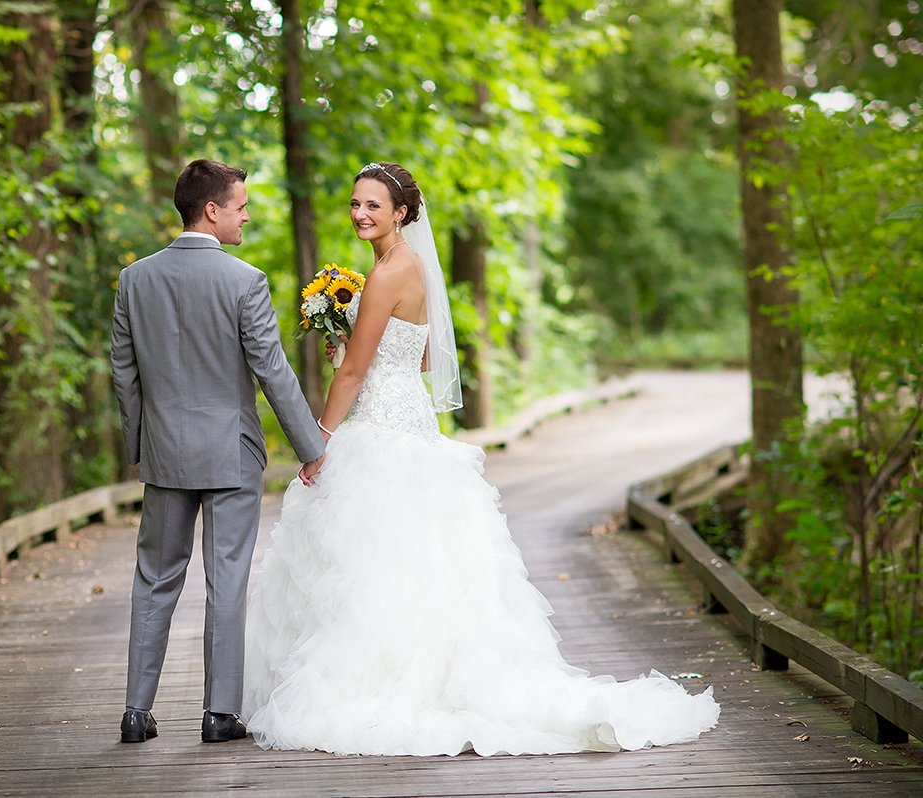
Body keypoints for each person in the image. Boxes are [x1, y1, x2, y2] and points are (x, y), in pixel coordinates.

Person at [241, 161, 720, 756]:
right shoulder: (404, 268)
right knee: (416, 561)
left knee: (369, 560)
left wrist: (318, 441)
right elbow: (416, 361)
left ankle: (384, 686)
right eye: (355, 204)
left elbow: (357, 373)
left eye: (374, 206)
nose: (361, 214)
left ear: (403, 213)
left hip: (380, 430)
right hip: (411, 421)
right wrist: (353, 343)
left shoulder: (389, 273)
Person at [111, 159, 326, 745]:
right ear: (212, 210)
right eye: (240, 205)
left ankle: (135, 713)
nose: (246, 215)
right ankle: (217, 714)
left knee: (154, 578)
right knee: (226, 578)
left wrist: (139, 445)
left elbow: (124, 375)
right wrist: (310, 447)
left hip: (163, 456)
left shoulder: (136, 281)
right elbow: (272, 372)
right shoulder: (244, 281)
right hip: (230, 454)